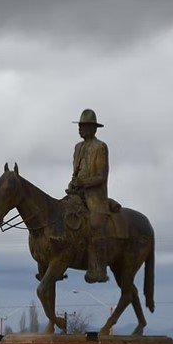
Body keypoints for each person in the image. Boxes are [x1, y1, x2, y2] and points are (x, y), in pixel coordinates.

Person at [66, 109, 109, 283]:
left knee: (96, 224)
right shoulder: (78, 147)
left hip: (94, 197)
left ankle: (97, 269)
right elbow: (75, 172)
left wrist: (83, 183)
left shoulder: (100, 147)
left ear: (93, 128)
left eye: (84, 126)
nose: (80, 129)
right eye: (80, 126)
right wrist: (73, 183)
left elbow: (101, 177)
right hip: (76, 194)